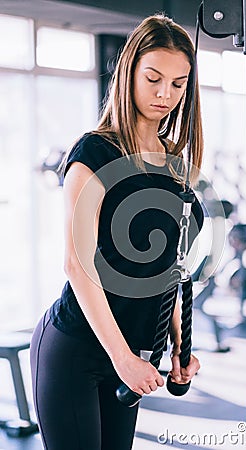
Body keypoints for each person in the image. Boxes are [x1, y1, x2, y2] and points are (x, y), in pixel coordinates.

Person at [30, 13, 204, 450]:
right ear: (129, 73)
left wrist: (179, 347)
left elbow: (165, 270)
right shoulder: (94, 152)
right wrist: (122, 357)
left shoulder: (175, 166)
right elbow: (77, 263)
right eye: (154, 79)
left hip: (131, 354)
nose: (166, 94)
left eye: (179, 84)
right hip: (79, 348)